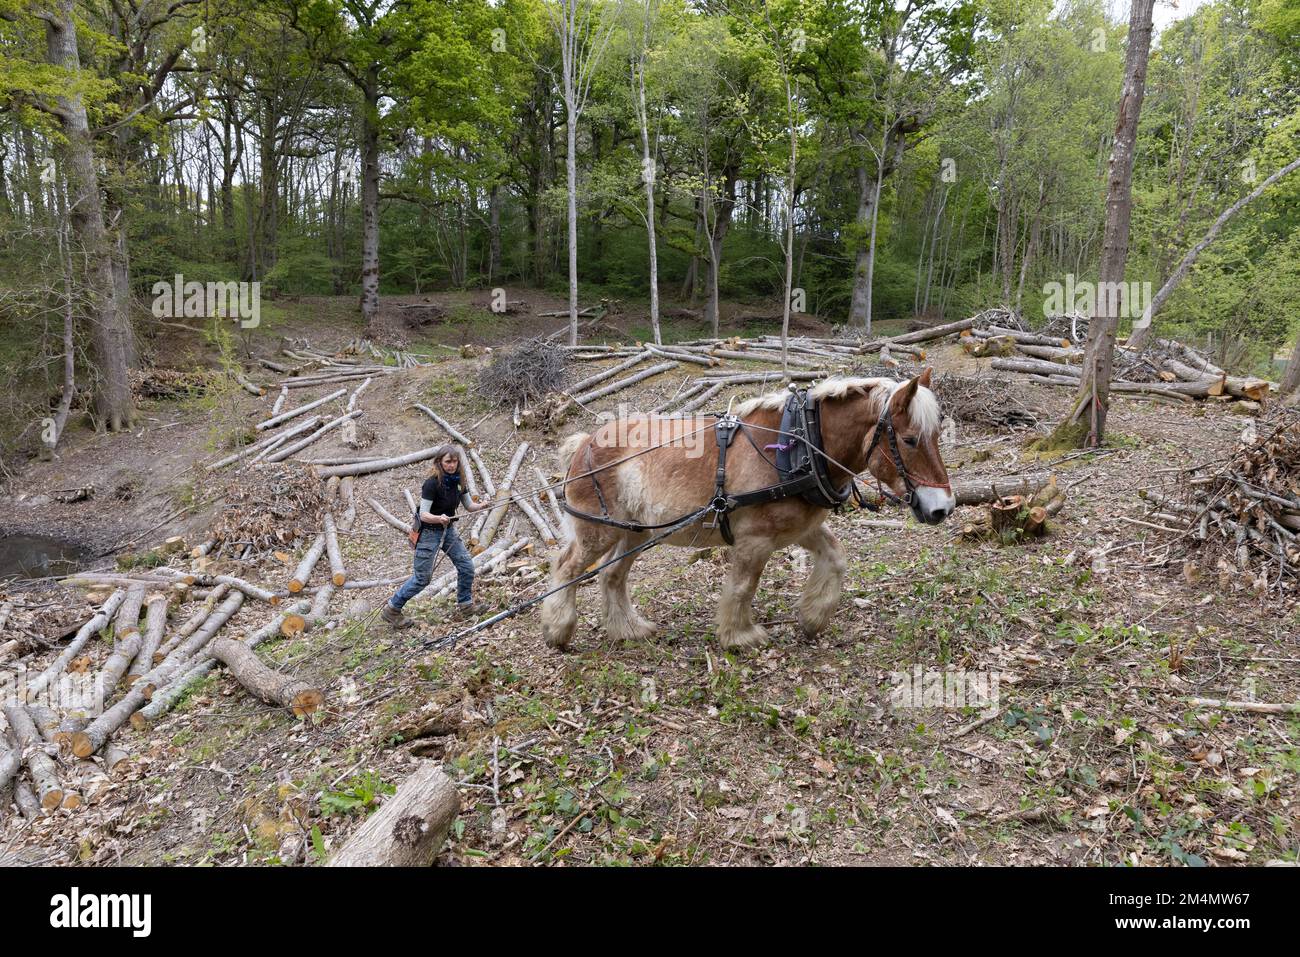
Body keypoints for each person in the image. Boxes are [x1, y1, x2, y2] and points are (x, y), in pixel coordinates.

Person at [381, 444, 488, 628]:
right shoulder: (432, 483)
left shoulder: (459, 481)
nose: (451, 465)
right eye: (448, 462)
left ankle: (466, 605)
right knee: (422, 578)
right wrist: (439, 518)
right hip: (428, 533)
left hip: (448, 531)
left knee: (466, 566)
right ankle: (392, 609)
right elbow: (423, 514)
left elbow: (469, 506)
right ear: (439, 462)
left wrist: (483, 505)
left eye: (454, 461)